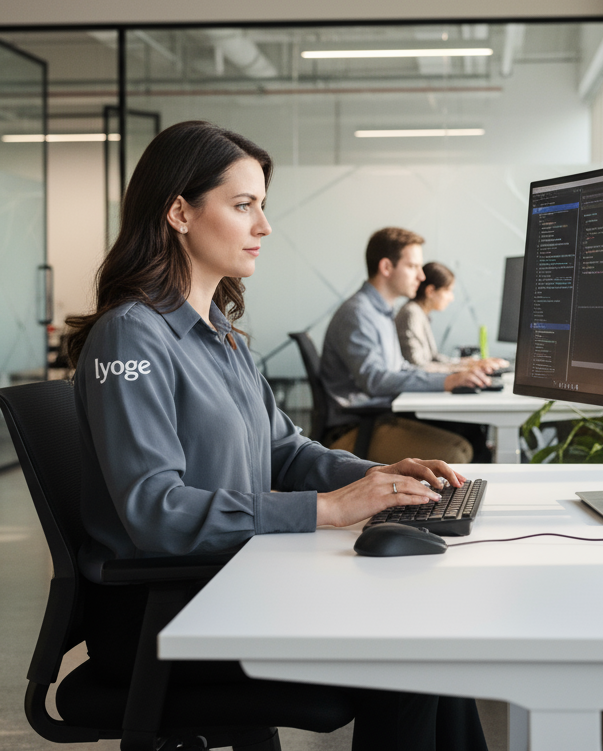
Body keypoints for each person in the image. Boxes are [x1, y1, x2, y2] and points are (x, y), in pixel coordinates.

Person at [64, 121, 488, 751]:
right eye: (244, 206)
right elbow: (157, 510)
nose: (263, 226)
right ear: (178, 212)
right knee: (413, 648)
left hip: (233, 580)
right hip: (172, 611)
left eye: (262, 206)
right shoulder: (132, 336)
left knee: (432, 629)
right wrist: (326, 511)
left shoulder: (222, 335)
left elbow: (285, 449)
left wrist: (381, 479)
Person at [319, 229, 490, 464]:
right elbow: (376, 380)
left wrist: (452, 376)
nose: (421, 276)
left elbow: (400, 367)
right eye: (413, 267)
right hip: (356, 429)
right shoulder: (358, 314)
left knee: (472, 432)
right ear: (387, 267)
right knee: (459, 451)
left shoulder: (382, 312)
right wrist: (447, 381)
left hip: (379, 417)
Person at [397, 262, 509, 374]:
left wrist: (472, 363)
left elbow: (433, 358)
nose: (451, 298)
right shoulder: (411, 313)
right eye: (448, 291)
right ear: (430, 291)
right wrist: (467, 368)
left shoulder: (420, 313)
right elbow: (416, 365)